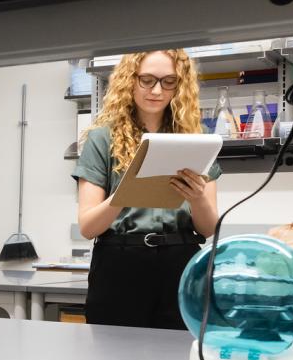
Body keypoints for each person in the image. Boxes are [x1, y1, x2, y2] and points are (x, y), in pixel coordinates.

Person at [72, 49, 221, 329]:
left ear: (180, 85)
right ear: (130, 79)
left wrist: (198, 198)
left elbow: (209, 228)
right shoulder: (102, 139)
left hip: (181, 263)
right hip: (119, 265)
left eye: (168, 82)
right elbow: (88, 227)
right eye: (147, 80)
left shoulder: (195, 141)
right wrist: (125, 194)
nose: (156, 90)